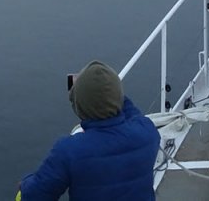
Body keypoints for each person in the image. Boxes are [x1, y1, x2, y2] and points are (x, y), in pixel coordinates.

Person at [18, 60, 160, 201]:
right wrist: (107, 90)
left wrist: (25, 183)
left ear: (79, 105)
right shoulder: (147, 132)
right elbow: (130, 111)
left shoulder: (69, 151)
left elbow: (34, 196)